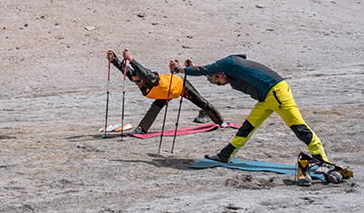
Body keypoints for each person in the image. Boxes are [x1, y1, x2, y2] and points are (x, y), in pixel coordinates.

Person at [171, 54, 329, 167]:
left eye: (218, 82)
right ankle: (225, 155)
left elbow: (206, 69)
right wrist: (191, 68)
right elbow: (207, 70)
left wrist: (179, 69)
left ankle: (321, 159)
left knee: (298, 126)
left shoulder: (227, 63)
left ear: (220, 74)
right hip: (266, 98)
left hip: (276, 92)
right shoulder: (227, 67)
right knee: (247, 128)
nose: (221, 84)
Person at [107, 50, 226, 135]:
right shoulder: (136, 77)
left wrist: (131, 59)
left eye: (139, 81)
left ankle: (220, 121)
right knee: (154, 108)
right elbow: (125, 69)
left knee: (202, 103)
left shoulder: (150, 79)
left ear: (143, 78)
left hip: (179, 86)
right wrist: (114, 59)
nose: (137, 83)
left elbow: (142, 70)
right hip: (164, 93)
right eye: (135, 82)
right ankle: (142, 129)